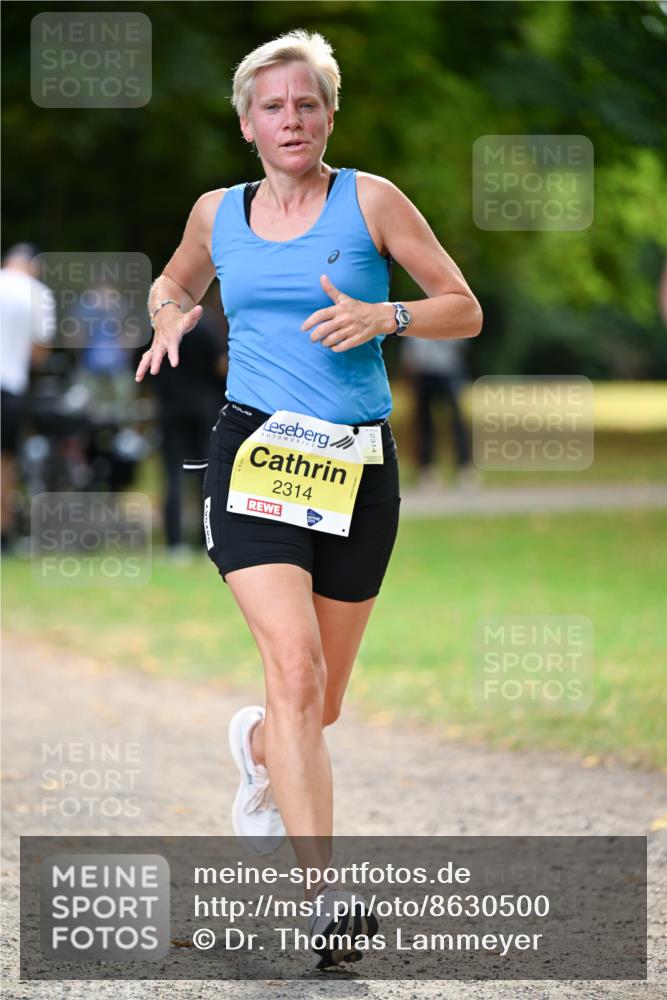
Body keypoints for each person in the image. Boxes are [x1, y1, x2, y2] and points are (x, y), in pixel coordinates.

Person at [135, 29, 482, 968]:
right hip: (255, 457)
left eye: (308, 103)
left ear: (329, 114)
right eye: (272, 106)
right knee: (292, 670)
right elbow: (174, 277)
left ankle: (257, 754)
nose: (291, 119)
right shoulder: (219, 213)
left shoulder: (371, 200)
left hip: (360, 466)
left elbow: (463, 304)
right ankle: (324, 904)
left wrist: (388, 314)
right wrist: (171, 312)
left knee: (315, 703)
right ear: (246, 123)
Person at [0, 243, 56, 552]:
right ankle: (4, 533)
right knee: (4, 462)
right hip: (8, 386)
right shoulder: (37, 293)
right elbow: (40, 353)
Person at [402, 334, 480, 490]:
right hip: (425, 372)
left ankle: (464, 468)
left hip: (449, 370)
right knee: (425, 423)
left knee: (457, 422)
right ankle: (427, 469)